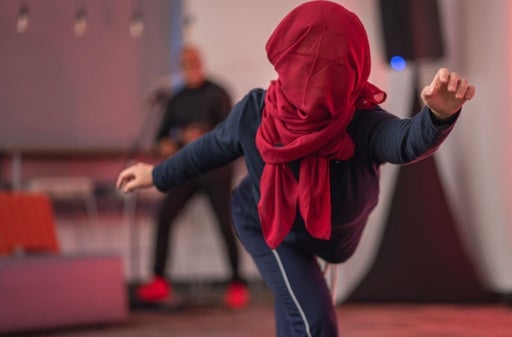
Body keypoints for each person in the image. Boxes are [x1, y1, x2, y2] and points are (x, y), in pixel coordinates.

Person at [118, 1, 475, 336]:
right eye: (306, 67)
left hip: (331, 235)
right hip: (268, 223)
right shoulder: (256, 113)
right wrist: (155, 174)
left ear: (351, 69)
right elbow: (209, 148)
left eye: (327, 70)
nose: (313, 85)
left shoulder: (360, 119)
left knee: (296, 314)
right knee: (315, 319)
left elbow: (404, 141)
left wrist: (437, 117)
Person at [135, 45, 249, 309]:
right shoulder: (175, 99)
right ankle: (159, 280)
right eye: (185, 63)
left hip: (215, 171)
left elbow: (230, 133)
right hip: (186, 170)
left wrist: (203, 135)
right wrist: (173, 141)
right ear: (181, 66)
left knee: (224, 223)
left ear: (201, 63)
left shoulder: (217, 93)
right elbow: (162, 139)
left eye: (194, 61)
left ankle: (237, 283)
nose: (190, 66)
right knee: (164, 216)